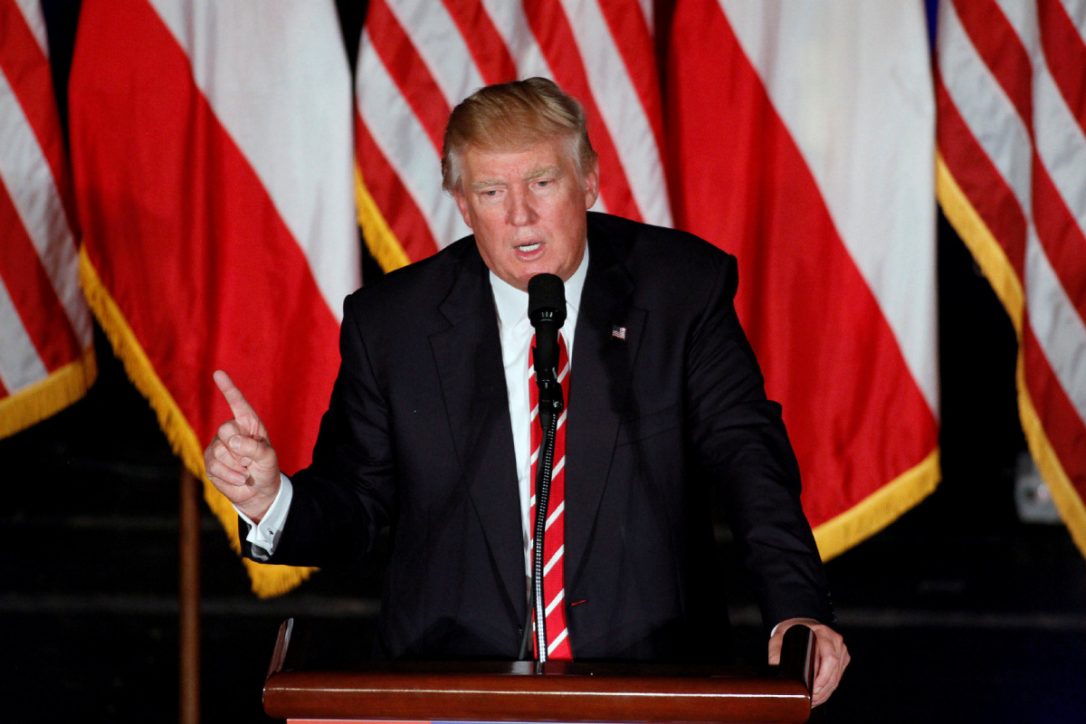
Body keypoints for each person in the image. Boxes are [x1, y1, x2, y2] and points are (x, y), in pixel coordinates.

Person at [204, 77, 848, 705]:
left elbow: (749, 461)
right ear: (461, 203)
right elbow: (357, 504)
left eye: (542, 183)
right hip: (451, 685)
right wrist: (270, 497)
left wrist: (796, 613)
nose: (520, 216)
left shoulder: (681, 289)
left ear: (588, 180)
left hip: (651, 680)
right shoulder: (393, 323)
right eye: (491, 191)